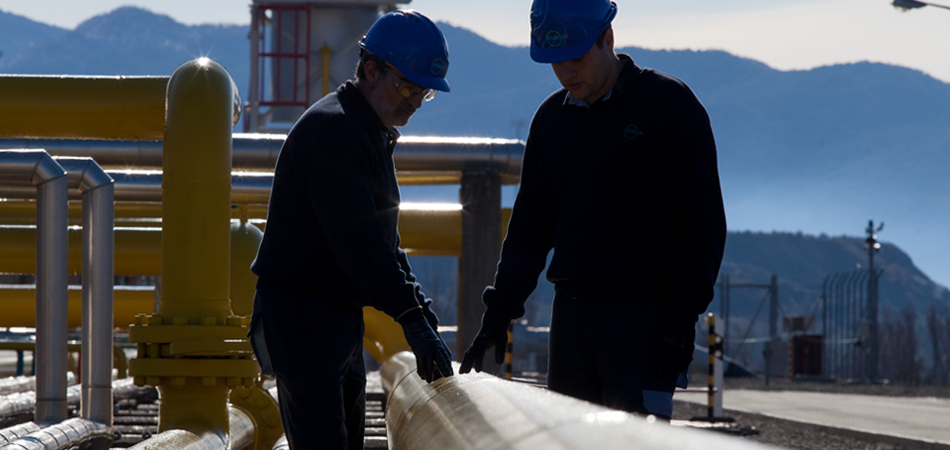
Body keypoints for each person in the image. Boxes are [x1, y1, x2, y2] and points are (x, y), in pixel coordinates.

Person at [459, 0, 726, 420]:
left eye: (576, 57)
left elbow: (702, 225)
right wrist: (499, 313)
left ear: (608, 39)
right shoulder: (551, 122)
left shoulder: (667, 107)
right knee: (568, 438)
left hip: (643, 323)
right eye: (555, 62)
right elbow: (529, 229)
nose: (566, 72)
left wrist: (680, 322)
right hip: (572, 322)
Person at [248, 10, 454, 449]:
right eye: (407, 87)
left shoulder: (368, 129)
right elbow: (360, 246)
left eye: (424, 93)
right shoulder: (335, 132)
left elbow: (384, 242)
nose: (414, 102)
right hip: (303, 320)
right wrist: (412, 320)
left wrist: (419, 309)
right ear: (370, 70)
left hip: (334, 316)